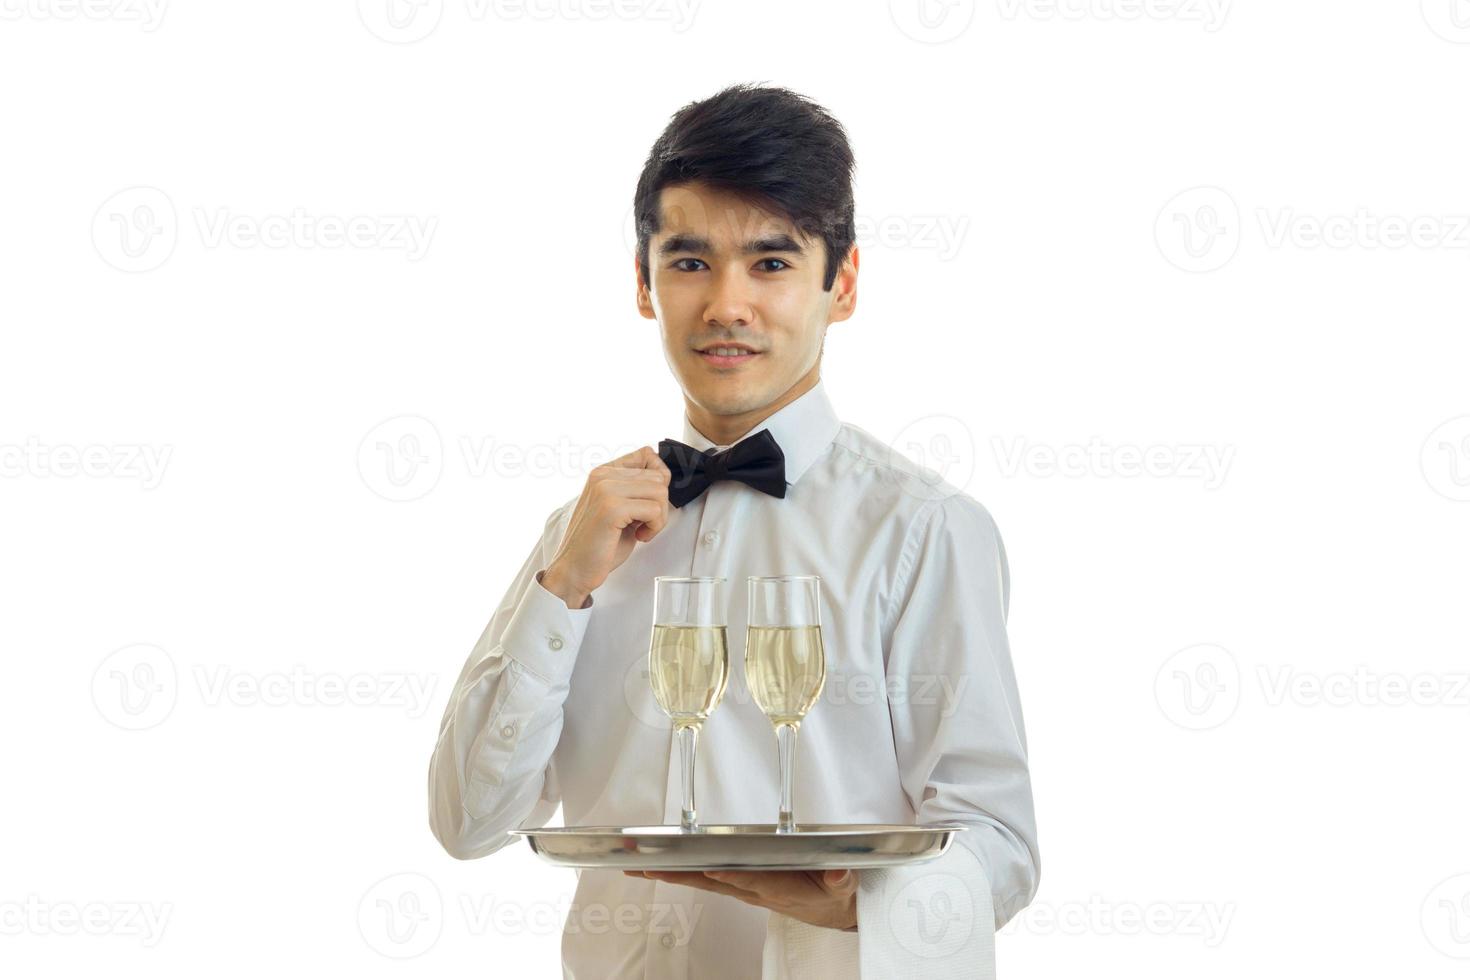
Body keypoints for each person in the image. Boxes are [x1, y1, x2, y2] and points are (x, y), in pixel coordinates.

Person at [427, 82, 1039, 979]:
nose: (726, 304)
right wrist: (563, 588)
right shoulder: (583, 529)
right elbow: (466, 821)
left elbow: (1000, 842)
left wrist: (858, 902)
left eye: (771, 262)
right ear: (643, 282)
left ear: (846, 281)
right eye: (689, 262)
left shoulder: (925, 530)